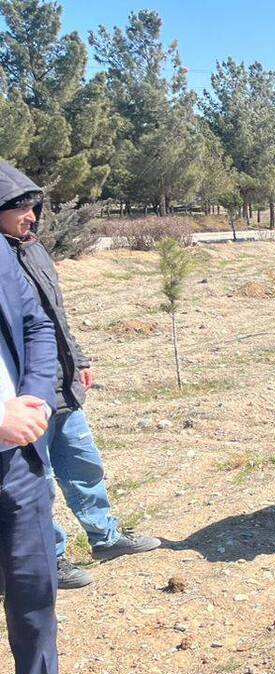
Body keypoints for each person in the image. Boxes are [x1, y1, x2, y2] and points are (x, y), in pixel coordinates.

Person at [0, 163, 160, 590]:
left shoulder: (32, 248)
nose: (32, 216)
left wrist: (79, 360)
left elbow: (54, 317)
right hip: (24, 397)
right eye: (21, 209)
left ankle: (105, 536)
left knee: (84, 465)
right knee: (39, 480)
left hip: (62, 382)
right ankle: (50, 557)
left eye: (35, 207)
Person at [0, 239, 97, 674]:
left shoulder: (3, 256)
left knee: (35, 582)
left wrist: (35, 401)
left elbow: (38, 325)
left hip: (18, 457)